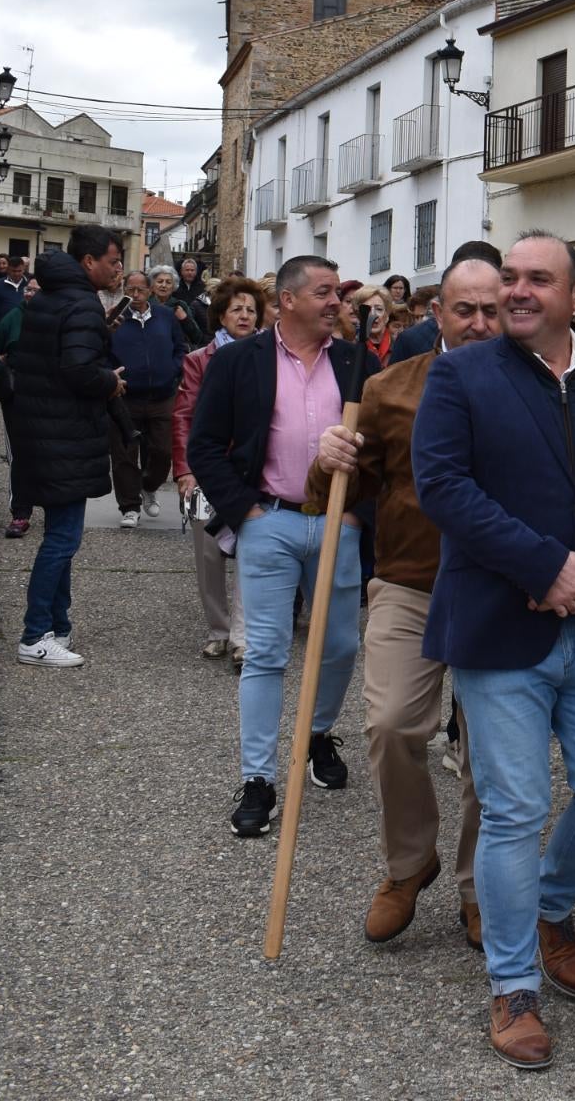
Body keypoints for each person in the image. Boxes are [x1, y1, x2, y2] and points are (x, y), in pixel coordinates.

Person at [412, 232, 575, 1070]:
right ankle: (514, 984)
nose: (516, 292)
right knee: (515, 808)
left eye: (536, 280)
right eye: (509, 278)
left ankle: (551, 905)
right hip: (501, 630)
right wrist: (543, 565)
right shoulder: (462, 375)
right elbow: (444, 486)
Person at [310, 257, 505, 949]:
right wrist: (328, 455)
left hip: (503, 594)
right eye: (465, 310)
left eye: (491, 309)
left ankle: (483, 887)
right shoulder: (390, 389)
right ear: (437, 314)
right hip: (409, 584)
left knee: (492, 755)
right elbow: (331, 492)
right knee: (392, 725)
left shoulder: (538, 389)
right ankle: (408, 863)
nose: (479, 323)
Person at [188, 256, 364, 839]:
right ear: (287, 301)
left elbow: (382, 443)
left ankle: (317, 735)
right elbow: (205, 444)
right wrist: (247, 511)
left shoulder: (355, 360)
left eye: (336, 292)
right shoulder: (241, 360)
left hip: (340, 524)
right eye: (324, 292)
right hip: (272, 521)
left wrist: (361, 511)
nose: (335, 301)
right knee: (265, 652)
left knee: (339, 643)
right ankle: (259, 778)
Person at [8, 226, 127, 669]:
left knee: (61, 533)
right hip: (64, 434)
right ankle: (35, 635)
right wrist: (110, 381)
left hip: (46, 430)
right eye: (113, 261)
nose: (118, 269)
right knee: (61, 539)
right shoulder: (80, 303)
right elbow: (78, 370)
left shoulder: (50, 297)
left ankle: (57, 624)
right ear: (88, 261)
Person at [172, 277, 263, 662]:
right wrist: (185, 471)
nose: (244, 316)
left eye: (251, 310)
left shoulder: (270, 356)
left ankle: (244, 637)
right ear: (220, 316)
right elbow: (183, 416)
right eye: (236, 309)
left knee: (251, 551)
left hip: (253, 470)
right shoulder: (199, 360)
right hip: (208, 469)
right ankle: (219, 629)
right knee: (209, 555)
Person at [107, 269, 186, 528]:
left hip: (162, 396)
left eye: (141, 290)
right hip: (125, 397)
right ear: (124, 291)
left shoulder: (165, 316)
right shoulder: (115, 318)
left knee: (162, 452)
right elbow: (101, 348)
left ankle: (149, 486)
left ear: (150, 291)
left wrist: (173, 371)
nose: (136, 295)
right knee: (124, 455)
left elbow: (179, 347)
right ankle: (129, 507)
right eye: (130, 290)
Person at [0, 275, 36, 539]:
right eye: (29, 289)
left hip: (50, 398)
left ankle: (56, 509)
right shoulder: (14, 316)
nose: (31, 294)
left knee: (48, 453)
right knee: (20, 454)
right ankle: (20, 513)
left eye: (37, 290)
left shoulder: (59, 318)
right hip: (16, 397)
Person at [360, 288, 397, 368]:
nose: (373, 315)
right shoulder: (352, 346)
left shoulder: (400, 344)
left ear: (387, 316)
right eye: (367, 309)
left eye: (379, 309)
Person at [0, 253, 26, 321]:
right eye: (13, 271)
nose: (16, 274)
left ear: (24, 270)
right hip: (1, 327)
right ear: (8, 270)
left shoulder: (29, 286)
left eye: (19, 271)